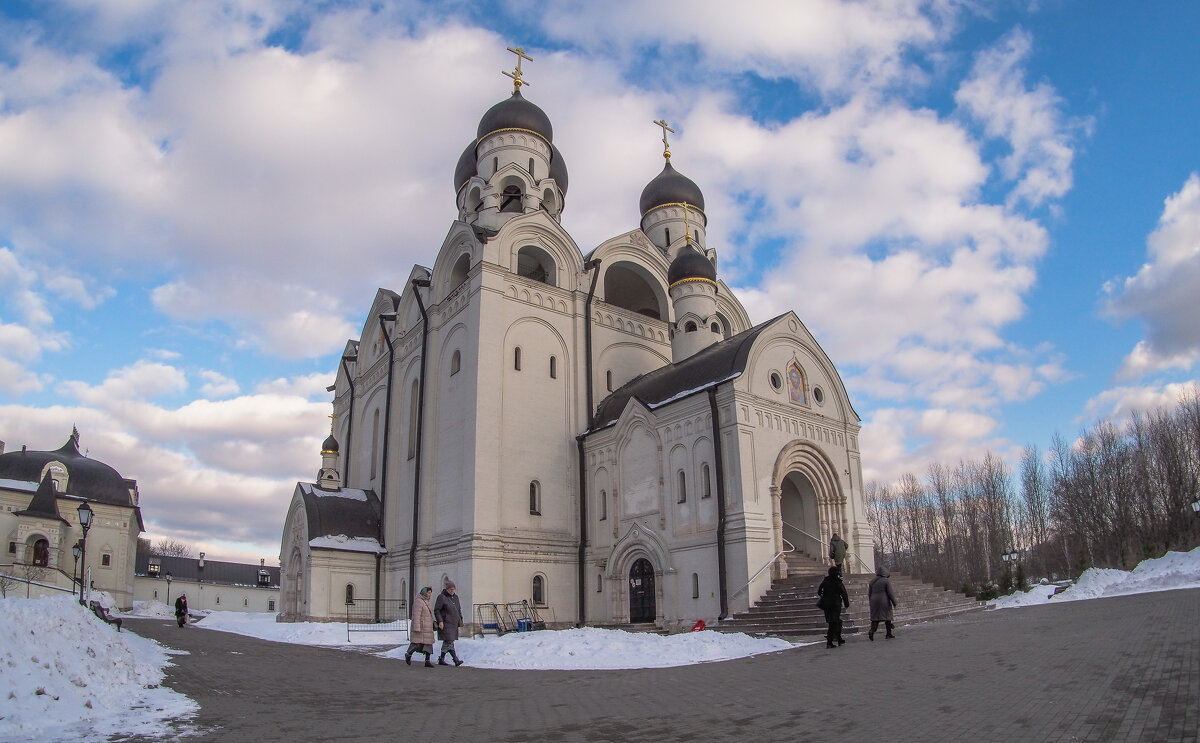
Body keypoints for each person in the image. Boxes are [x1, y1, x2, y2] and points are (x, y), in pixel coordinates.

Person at [816, 566, 849, 648]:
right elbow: (844, 593)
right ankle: (830, 642)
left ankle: (838, 638)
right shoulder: (838, 582)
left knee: (834, 622)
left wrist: (825, 596)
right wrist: (846, 603)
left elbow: (819, 591)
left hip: (826, 604)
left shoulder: (825, 581)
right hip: (835, 604)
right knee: (834, 622)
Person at [434, 580, 464, 666]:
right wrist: (440, 621)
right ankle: (455, 659)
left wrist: (460, 620)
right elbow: (437, 610)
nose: (452, 591)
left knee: (448, 642)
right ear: (447, 589)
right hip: (446, 623)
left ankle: (442, 659)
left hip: (454, 623)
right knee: (449, 641)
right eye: (451, 589)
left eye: (454, 589)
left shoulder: (456, 597)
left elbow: (458, 609)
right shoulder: (441, 597)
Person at [405, 587, 437, 667]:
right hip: (422, 627)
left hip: (428, 627)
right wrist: (416, 627)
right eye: (428, 593)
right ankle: (408, 654)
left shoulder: (427, 601)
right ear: (424, 593)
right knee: (416, 643)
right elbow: (416, 615)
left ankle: (427, 661)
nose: (430, 594)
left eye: (430, 593)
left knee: (428, 644)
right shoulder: (418, 601)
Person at [868, 565, 898, 640]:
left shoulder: (872, 581)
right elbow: (890, 593)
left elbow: (869, 593)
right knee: (888, 617)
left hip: (873, 600)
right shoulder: (886, 581)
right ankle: (888, 633)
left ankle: (872, 631)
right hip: (883, 601)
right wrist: (894, 602)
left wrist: (871, 601)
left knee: (875, 618)